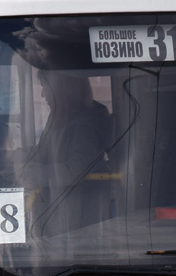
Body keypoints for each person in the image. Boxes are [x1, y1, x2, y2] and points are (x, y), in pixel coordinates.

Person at [25, 73, 112, 234]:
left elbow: (75, 170)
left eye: (45, 87)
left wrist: (31, 173)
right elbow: (44, 150)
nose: (43, 94)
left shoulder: (88, 118)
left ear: (62, 89)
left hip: (82, 212)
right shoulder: (59, 115)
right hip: (60, 205)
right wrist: (11, 158)